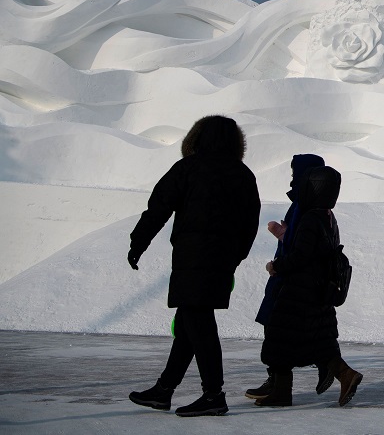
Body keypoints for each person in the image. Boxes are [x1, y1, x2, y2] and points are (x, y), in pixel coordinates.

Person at [127, 115, 261, 417]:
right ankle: (164, 390)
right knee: (191, 323)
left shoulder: (187, 168)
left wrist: (139, 242)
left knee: (199, 323)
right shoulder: (243, 175)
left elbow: (158, 207)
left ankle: (213, 395)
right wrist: (234, 257)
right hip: (221, 261)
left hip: (192, 258)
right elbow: (250, 223)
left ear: (196, 138)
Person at [251, 164, 363, 407]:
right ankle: (344, 375)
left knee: (278, 339)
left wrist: (277, 266)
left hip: (298, 291)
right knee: (319, 340)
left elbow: (301, 256)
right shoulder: (328, 218)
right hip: (318, 290)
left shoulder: (310, 218)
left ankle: (282, 392)